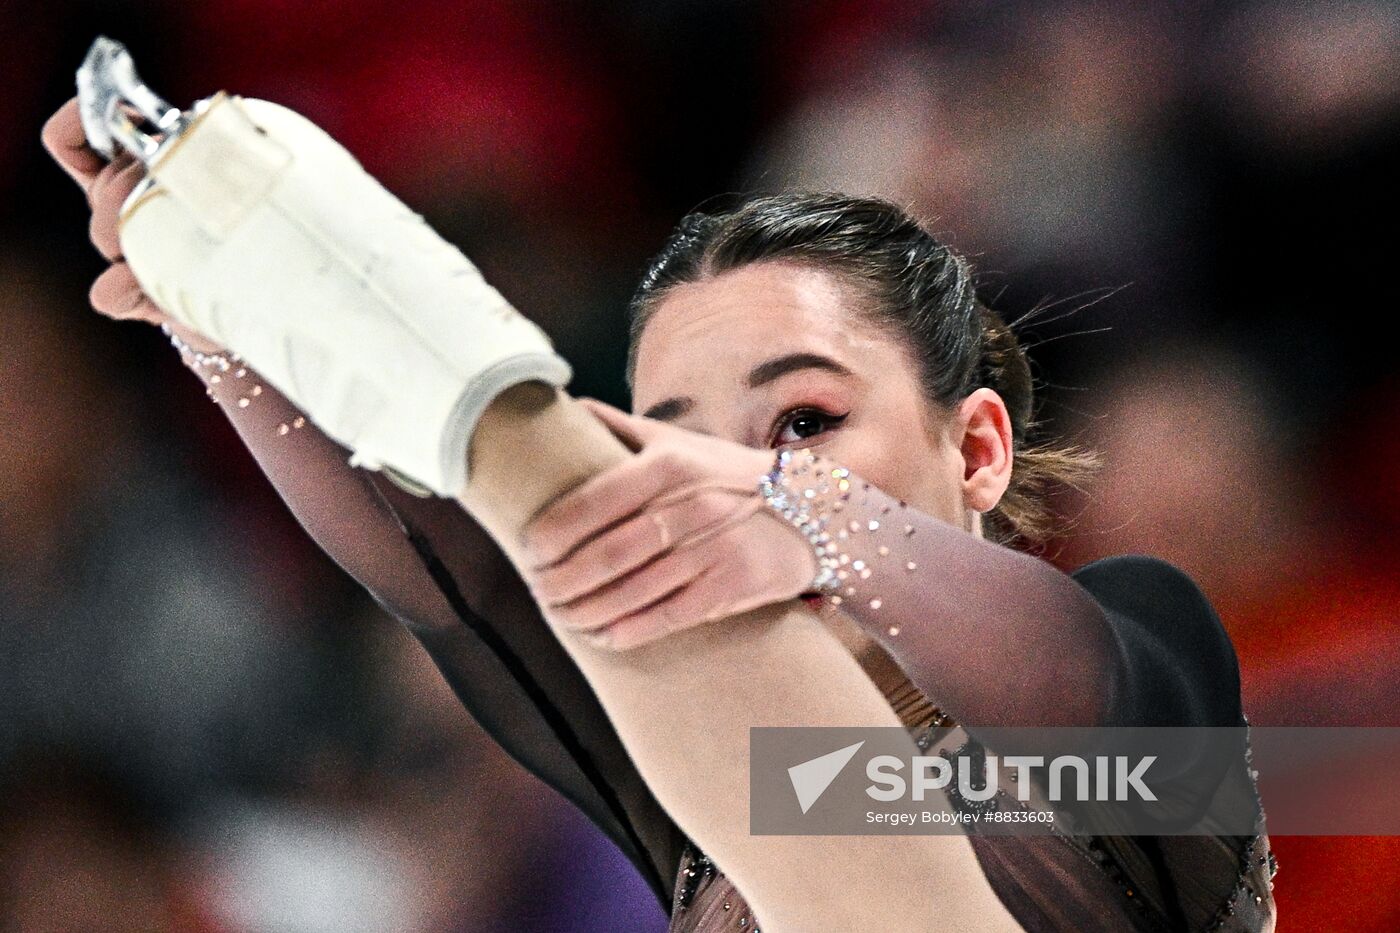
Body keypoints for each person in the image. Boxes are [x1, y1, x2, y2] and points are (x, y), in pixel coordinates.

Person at [43, 96, 1275, 931]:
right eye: (671, 443)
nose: (706, 481)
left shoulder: (1137, 648)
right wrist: (225, 318)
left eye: (803, 421)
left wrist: (787, 514)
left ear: (978, 446)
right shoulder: (676, 785)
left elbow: (1062, 678)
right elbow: (455, 577)